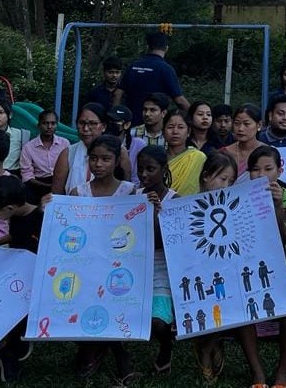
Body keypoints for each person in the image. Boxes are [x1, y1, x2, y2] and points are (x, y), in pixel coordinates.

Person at [64, 135, 135, 383]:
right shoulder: (78, 193)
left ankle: (113, 350)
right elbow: (68, 227)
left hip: (120, 264)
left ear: (116, 161)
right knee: (86, 299)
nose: (99, 164)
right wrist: (50, 205)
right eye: (94, 158)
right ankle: (93, 346)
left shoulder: (130, 192)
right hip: (86, 263)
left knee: (114, 299)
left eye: (106, 159)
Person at [241, 145, 286, 388]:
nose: (261, 175)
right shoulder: (241, 200)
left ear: (280, 170)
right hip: (253, 262)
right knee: (244, 304)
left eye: (268, 169)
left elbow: (280, 241)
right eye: (255, 170)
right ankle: (257, 373)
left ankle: (282, 372)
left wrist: (278, 206)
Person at [0, 175, 45, 383]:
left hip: (37, 277)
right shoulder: (16, 217)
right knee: (15, 315)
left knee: (26, 316)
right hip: (18, 276)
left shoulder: (41, 218)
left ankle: (12, 349)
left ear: (9, 208)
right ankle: (9, 350)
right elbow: (16, 235)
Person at [189, 150, 239, 382]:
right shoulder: (186, 205)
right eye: (222, 178)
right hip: (195, 273)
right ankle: (205, 347)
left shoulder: (234, 207)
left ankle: (210, 345)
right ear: (206, 176)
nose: (226, 186)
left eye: (231, 181)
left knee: (225, 297)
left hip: (226, 271)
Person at [136, 145, 177, 375]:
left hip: (163, 268)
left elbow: (164, 243)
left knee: (158, 323)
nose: (144, 175)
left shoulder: (175, 200)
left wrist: (154, 213)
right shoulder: (132, 197)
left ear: (163, 169)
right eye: (140, 169)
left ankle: (166, 347)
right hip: (133, 265)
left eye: (150, 169)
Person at [52, 104, 132, 195]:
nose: (86, 129)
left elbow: (126, 190)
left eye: (93, 123)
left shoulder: (119, 151)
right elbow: (57, 194)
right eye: (81, 123)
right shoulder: (68, 153)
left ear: (104, 126)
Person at [113, 31, 189, 124]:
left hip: (131, 122)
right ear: (166, 48)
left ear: (147, 47)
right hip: (154, 124)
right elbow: (179, 101)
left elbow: (117, 94)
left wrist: (116, 117)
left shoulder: (132, 67)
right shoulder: (165, 69)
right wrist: (193, 116)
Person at [18, 109, 69, 203]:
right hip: (38, 184)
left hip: (62, 181)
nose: (49, 127)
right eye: (45, 123)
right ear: (39, 125)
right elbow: (27, 176)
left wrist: (58, 185)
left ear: (57, 125)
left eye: (53, 123)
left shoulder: (64, 144)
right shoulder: (28, 147)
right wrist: (47, 186)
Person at [162, 108, 205, 196]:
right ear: (163, 131)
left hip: (189, 203)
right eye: (170, 127)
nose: (175, 132)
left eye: (180, 127)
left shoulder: (198, 157)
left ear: (188, 131)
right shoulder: (157, 159)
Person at [106, 104, 147, 187]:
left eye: (116, 121)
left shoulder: (138, 144)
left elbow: (137, 177)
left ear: (127, 124)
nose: (111, 124)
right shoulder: (100, 143)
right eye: (109, 120)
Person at [221, 104, 264, 180]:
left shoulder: (268, 152)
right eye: (237, 123)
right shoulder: (224, 153)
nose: (240, 128)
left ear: (259, 125)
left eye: (246, 124)